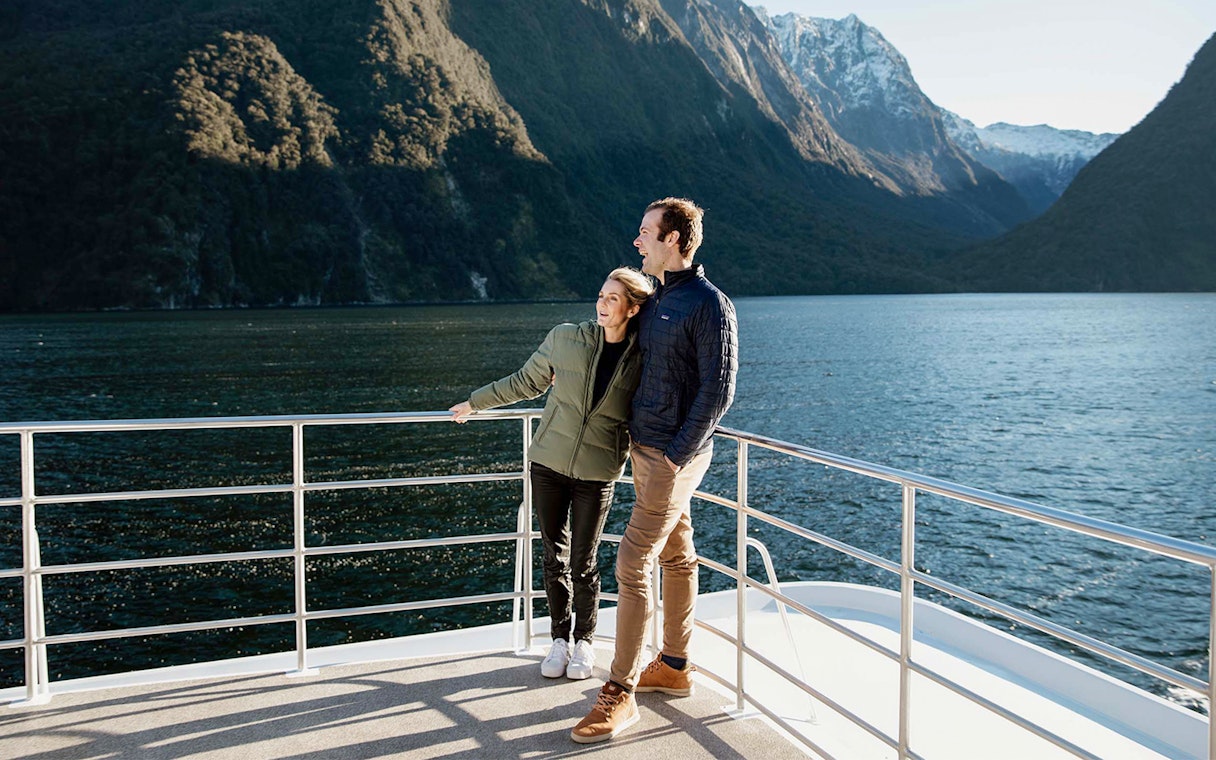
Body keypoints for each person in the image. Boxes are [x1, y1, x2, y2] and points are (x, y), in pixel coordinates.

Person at [571, 197, 738, 743]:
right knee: (677, 553)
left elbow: (719, 390)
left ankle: (619, 691)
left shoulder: (711, 306)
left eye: (646, 233)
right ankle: (673, 665)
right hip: (644, 449)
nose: (637, 241)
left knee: (631, 558)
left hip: (671, 455)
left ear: (674, 240)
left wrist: (675, 454)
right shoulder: (659, 297)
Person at [450, 267, 654, 681]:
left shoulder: (643, 355)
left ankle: (585, 642)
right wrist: (475, 403)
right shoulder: (566, 338)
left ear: (632, 308)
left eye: (612, 298)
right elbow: (526, 381)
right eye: (600, 295)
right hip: (547, 464)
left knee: (584, 561)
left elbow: (651, 408)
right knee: (553, 556)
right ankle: (559, 639)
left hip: (597, 473)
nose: (601, 304)